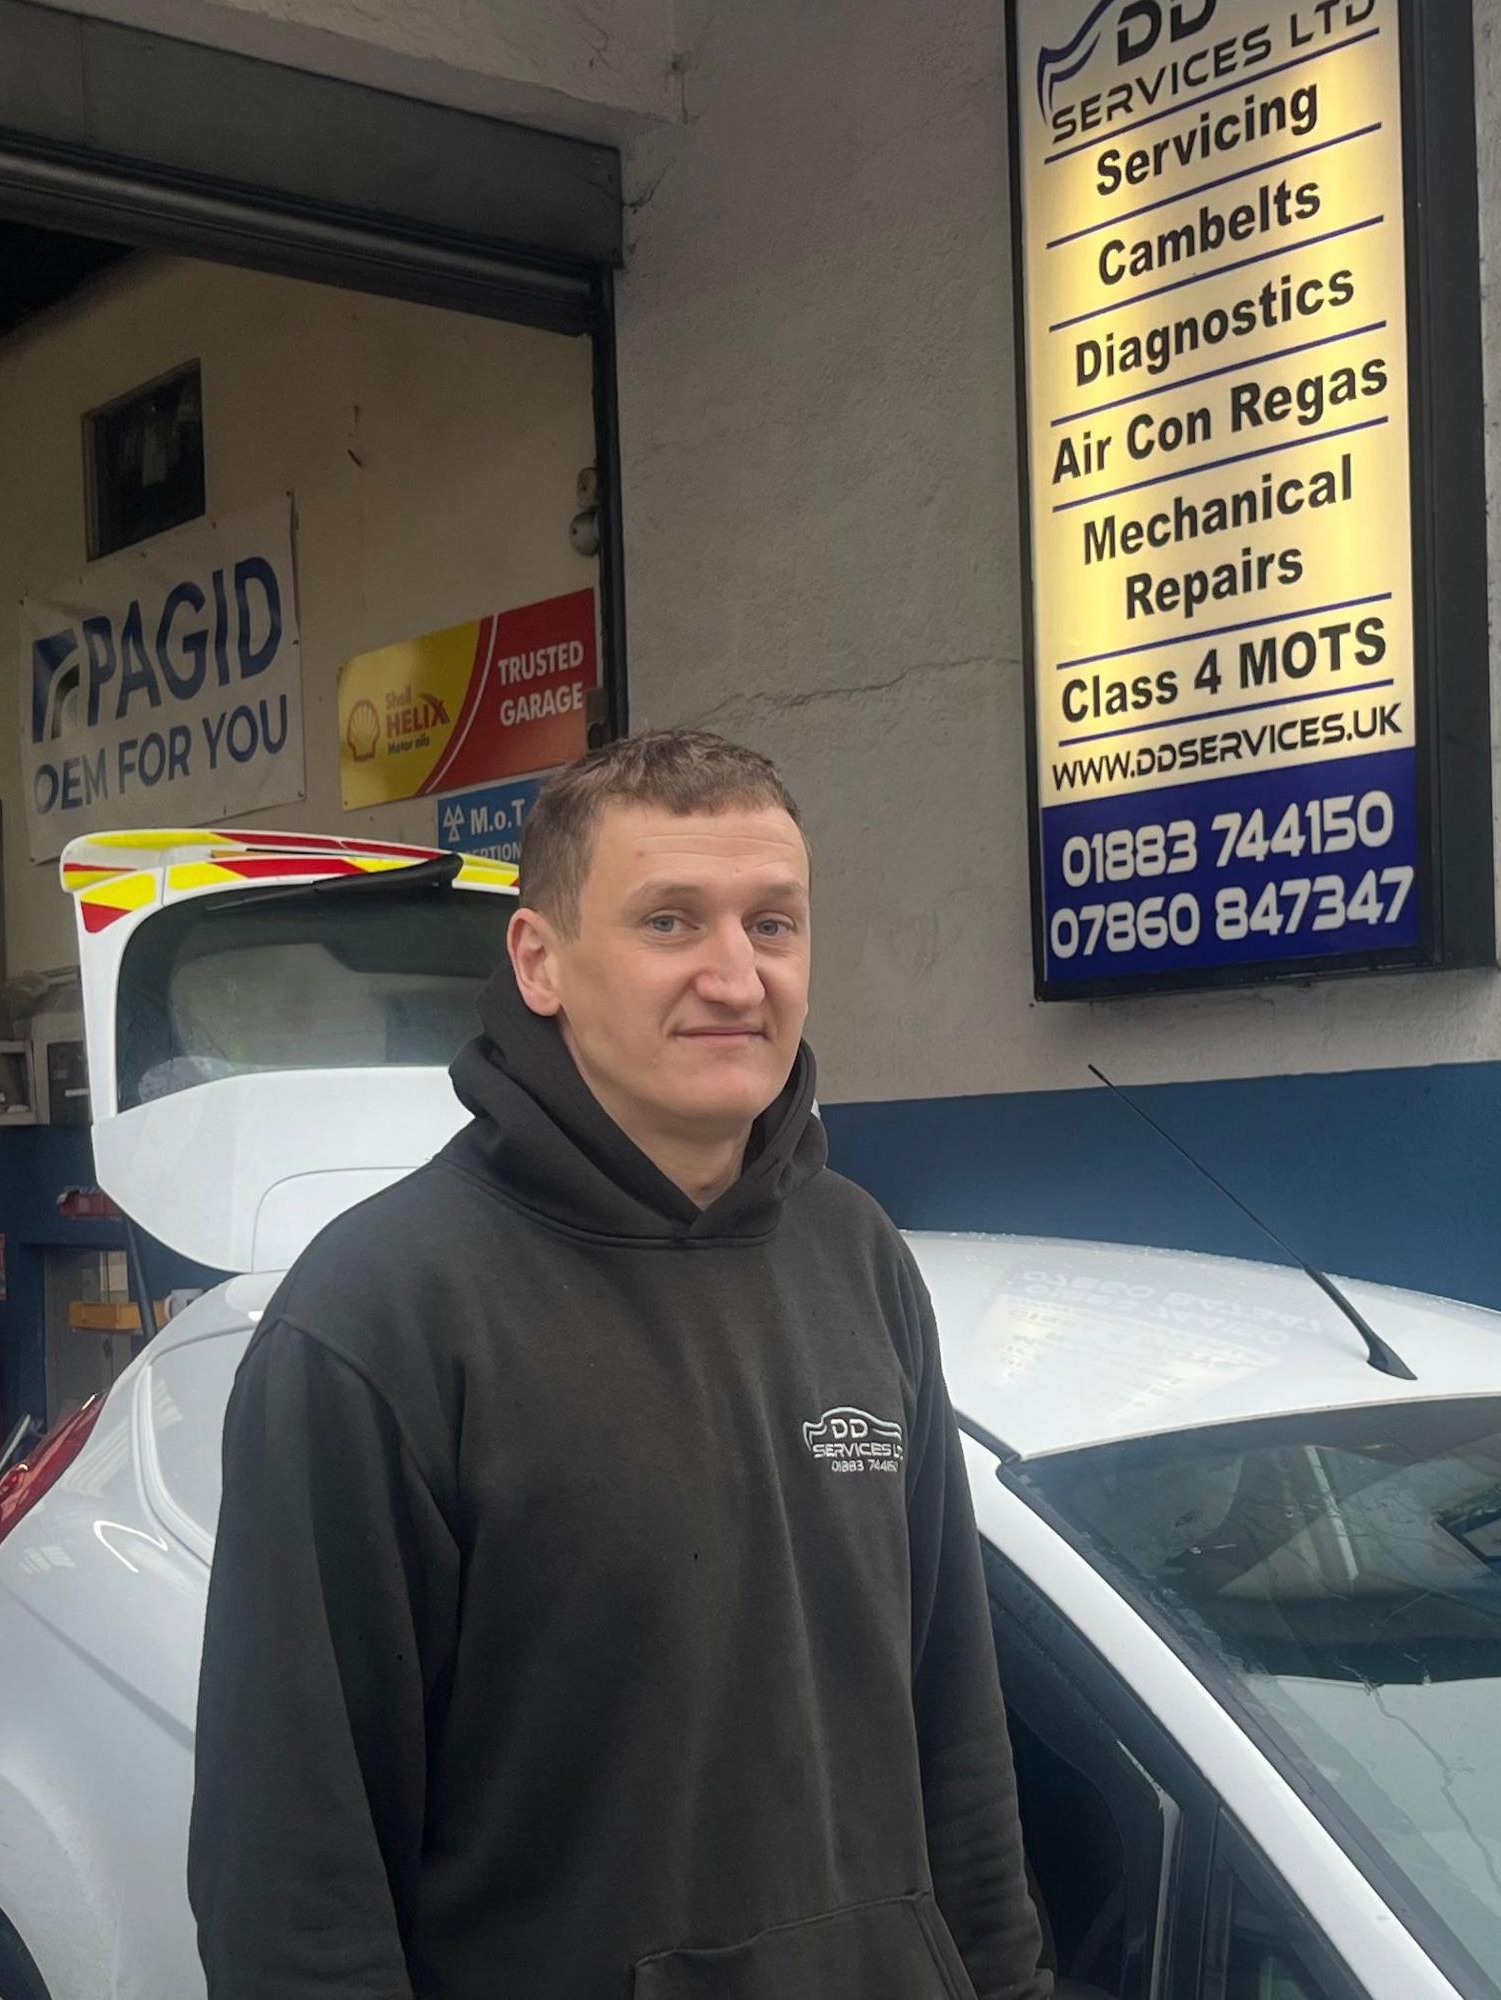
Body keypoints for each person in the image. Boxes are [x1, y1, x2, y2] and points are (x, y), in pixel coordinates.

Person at [189, 730, 1050, 2000]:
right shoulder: (384, 1316)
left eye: (774, 924)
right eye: (669, 922)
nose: (735, 975)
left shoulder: (858, 1257)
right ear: (540, 960)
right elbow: (294, 1878)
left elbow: (956, 1729)